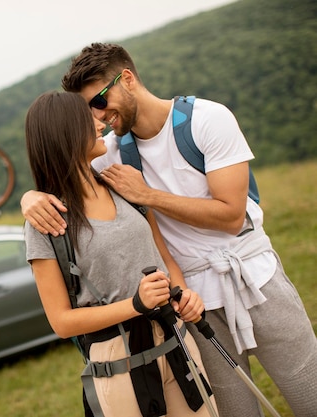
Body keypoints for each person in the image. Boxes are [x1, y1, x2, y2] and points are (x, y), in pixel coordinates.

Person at [21, 43, 317, 417]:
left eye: (99, 100)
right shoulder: (109, 152)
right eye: (87, 111)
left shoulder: (206, 119)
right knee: (234, 411)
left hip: (253, 278)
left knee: (310, 393)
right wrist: (30, 198)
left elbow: (230, 215)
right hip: (193, 303)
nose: (98, 116)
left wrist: (148, 195)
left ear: (126, 78)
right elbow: (66, 168)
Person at [24, 90, 217, 417]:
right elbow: (62, 322)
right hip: (118, 364)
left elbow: (164, 259)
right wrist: (135, 305)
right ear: (67, 132)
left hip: (176, 340)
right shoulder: (48, 220)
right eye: (89, 120)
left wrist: (183, 294)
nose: (99, 123)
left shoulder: (125, 185)